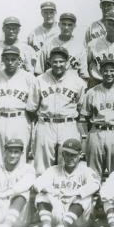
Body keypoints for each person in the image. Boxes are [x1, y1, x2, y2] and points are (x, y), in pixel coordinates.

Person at [31, 47, 87, 176]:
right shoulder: (39, 80)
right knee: (42, 165)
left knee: (69, 162)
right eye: (55, 61)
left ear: (67, 62)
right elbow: (32, 107)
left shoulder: (78, 82)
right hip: (45, 123)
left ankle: (66, 193)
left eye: (61, 61)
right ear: (49, 61)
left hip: (68, 123)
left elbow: (81, 107)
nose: (58, 65)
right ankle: (43, 193)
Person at [34, 138, 100, 227]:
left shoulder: (86, 171)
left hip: (80, 219)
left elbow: (95, 185)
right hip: (58, 212)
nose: (69, 158)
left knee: (85, 197)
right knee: (42, 195)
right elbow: (38, 183)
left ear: (80, 155)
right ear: (63, 155)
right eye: (67, 154)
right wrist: (50, 190)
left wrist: (73, 193)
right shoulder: (53, 170)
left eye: (73, 155)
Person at [0, 46, 37, 167]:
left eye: (13, 59)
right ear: (2, 60)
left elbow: (33, 106)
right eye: (7, 59)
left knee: (19, 157)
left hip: (19, 119)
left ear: (19, 60)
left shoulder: (29, 78)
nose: (10, 62)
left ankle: (18, 186)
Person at [0, 139, 36, 227]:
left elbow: (22, 186)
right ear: (5, 152)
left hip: (18, 216)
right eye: (10, 151)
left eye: (16, 152)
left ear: (22, 154)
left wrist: (0, 195)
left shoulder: (28, 169)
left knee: (22, 193)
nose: (12, 155)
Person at [35, 12, 89, 80]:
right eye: (64, 24)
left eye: (70, 25)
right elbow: (39, 71)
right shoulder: (48, 44)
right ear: (59, 24)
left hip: (71, 84)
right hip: (50, 83)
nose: (66, 28)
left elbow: (84, 75)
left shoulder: (80, 47)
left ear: (74, 26)